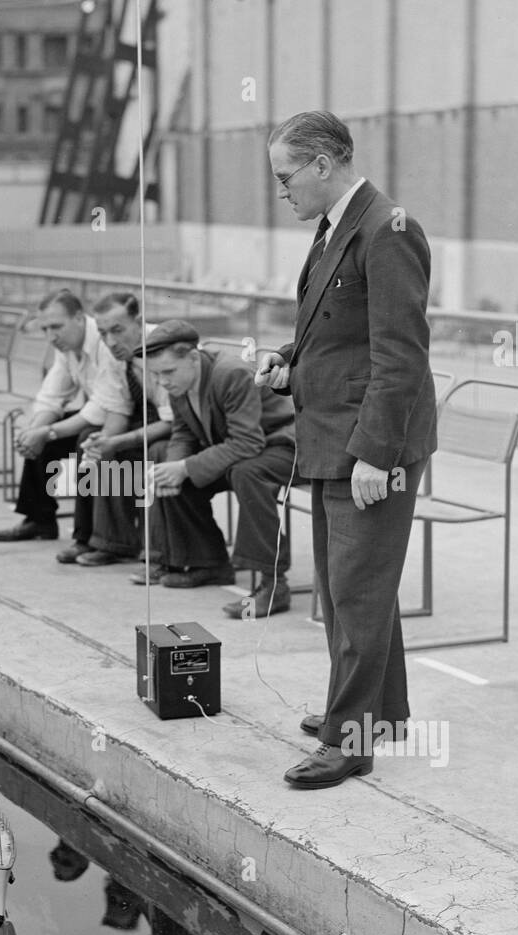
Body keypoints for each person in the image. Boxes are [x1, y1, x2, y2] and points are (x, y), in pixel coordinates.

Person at [257, 110, 436, 789]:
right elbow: (338, 330)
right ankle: (380, 713)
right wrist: (286, 362)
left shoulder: (386, 231)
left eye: (286, 177)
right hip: (332, 433)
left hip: (367, 444)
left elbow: (401, 355)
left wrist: (376, 455)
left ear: (324, 165)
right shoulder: (338, 227)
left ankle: (350, 740)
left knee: (356, 593)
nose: (283, 191)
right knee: (349, 591)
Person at [139, 320, 297, 612]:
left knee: (247, 472)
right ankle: (208, 562)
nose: (163, 382)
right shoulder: (180, 382)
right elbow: (183, 434)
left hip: (286, 446)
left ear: (192, 357)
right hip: (244, 448)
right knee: (163, 455)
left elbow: (247, 442)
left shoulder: (231, 373)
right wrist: (173, 468)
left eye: (168, 372)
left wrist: (184, 467)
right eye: (157, 375)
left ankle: (273, 584)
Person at [0, 289, 131, 562]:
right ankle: (40, 519)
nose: (51, 337)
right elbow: (51, 395)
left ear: (79, 318)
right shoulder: (66, 347)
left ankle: (87, 537)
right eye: (44, 329)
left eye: (57, 327)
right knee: (44, 434)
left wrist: (48, 431)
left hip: (125, 415)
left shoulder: (104, 340)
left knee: (82, 442)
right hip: (104, 412)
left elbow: (103, 406)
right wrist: (35, 430)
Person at [76, 290, 173, 566]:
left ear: (139, 321)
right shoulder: (114, 352)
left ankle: (158, 547)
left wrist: (117, 441)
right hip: (148, 419)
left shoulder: (162, 346)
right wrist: (103, 440)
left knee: (152, 450)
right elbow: (117, 408)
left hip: (184, 425)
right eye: (103, 333)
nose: (110, 341)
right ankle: (112, 542)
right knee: (99, 447)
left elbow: (172, 421)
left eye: (117, 330)